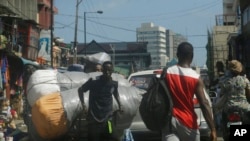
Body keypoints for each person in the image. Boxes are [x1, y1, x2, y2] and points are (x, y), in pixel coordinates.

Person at [162, 42, 217, 141]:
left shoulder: (167, 73)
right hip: (188, 123)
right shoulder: (196, 78)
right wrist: (213, 129)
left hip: (170, 122)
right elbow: (204, 103)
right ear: (192, 56)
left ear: (177, 55)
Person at [78, 61, 123, 141]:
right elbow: (80, 90)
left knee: (113, 137)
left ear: (112, 70)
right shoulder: (94, 82)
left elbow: (116, 94)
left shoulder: (113, 84)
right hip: (94, 120)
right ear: (102, 70)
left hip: (108, 119)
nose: (107, 72)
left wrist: (120, 105)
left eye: (109, 70)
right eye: (105, 70)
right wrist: (83, 105)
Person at [215, 60, 250, 125]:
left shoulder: (223, 80)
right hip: (244, 107)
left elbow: (222, 93)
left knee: (223, 120)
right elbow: (249, 94)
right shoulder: (245, 80)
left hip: (229, 107)